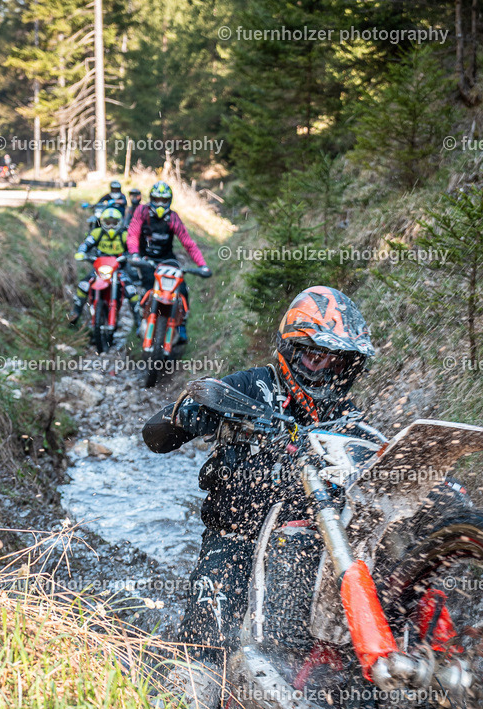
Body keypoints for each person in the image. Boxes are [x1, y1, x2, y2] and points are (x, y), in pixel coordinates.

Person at [142, 286, 374, 673]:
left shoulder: (347, 416)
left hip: (313, 547)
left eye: (336, 361)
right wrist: (191, 410)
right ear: (293, 351)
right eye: (315, 356)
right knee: (204, 658)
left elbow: (374, 466)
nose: (324, 368)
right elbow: (154, 436)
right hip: (237, 538)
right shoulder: (254, 386)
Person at [127, 181, 211, 344]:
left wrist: (202, 265)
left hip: (167, 260)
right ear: (151, 198)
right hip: (145, 260)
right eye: (156, 199)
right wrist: (135, 254)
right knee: (148, 288)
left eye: (163, 200)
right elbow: (133, 234)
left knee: (181, 289)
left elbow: (188, 243)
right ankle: (142, 321)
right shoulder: (142, 212)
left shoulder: (173, 218)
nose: (159, 203)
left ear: (169, 201)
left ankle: (181, 326)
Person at [67, 207, 141, 328]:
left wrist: (133, 256)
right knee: (83, 285)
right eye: (108, 222)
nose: (111, 226)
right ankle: (75, 312)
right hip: (99, 269)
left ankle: (138, 319)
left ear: (120, 222)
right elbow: (86, 244)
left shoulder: (124, 235)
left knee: (131, 290)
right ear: (102, 222)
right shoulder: (97, 233)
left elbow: (132, 246)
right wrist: (82, 252)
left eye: (114, 223)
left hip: (118, 269)